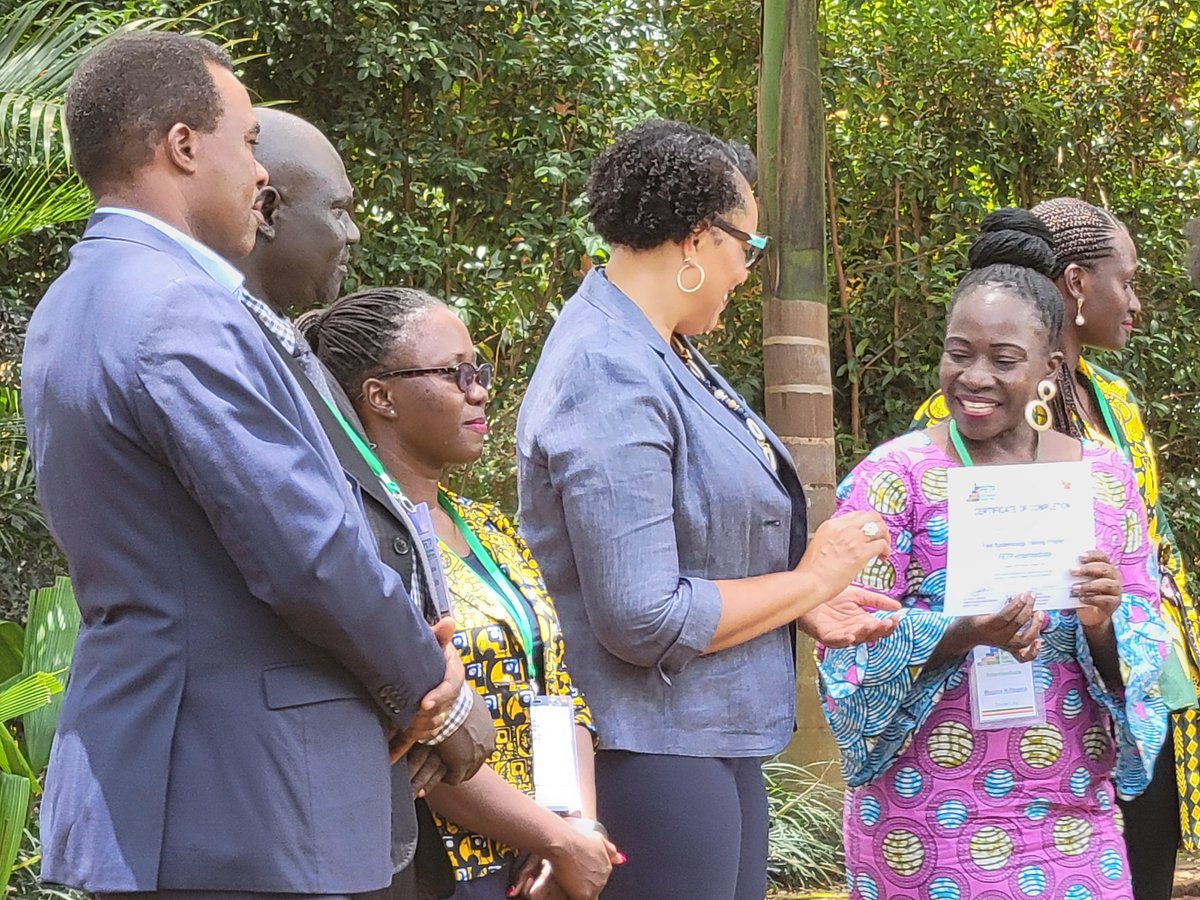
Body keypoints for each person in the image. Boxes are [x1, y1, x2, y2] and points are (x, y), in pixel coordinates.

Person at [21, 34, 487, 898]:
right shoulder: (176, 312)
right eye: (245, 142)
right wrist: (436, 693)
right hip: (239, 801)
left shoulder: (84, 297)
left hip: (193, 791)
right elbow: (306, 550)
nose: (261, 175)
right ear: (183, 146)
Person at [514, 119, 902, 900]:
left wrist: (802, 606)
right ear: (697, 240)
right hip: (646, 747)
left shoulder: (664, 349)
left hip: (700, 733)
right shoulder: (608, 368)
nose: (745, 272)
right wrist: (813, 579)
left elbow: (697, 553)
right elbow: (641, 616)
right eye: (745, 249)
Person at [823, 211, 1170, 900]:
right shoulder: (893, 479)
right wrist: (961, 631)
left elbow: (1147, 652)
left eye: (1003, 359)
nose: (975, 377)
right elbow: (845, 644)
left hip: (1071, 816)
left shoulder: (1103, 480)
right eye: (959, 352)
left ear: (1051, 366)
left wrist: (1103, 622)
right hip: (924, 824)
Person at [234, 107, 496, 899]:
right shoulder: (226, 355)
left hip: (372, 792)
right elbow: (308, 562)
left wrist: (417, 700)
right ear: (267, 205)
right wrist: (433, 699)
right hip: (281, 797)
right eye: (340, 208)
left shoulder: (289, 358)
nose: (352, 233)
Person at [914, 200, 1200, 899]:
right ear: (1075, 284)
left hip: (1139, 685)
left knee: (1148, 870)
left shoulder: (1118, 402)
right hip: (1025, 703)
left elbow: (1149, 544)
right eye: (1124, 281)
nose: (1132, 301)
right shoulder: (960, 415)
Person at [300, 286, 622, 900]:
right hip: (436, 867)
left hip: (542, 864)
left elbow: (557, 691)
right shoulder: (358, 546)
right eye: (456, 373)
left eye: (479, 370)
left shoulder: (492, 530)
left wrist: (576, 828)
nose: (480, 389)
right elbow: (413, 728)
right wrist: (551, 838)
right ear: (380, 396)